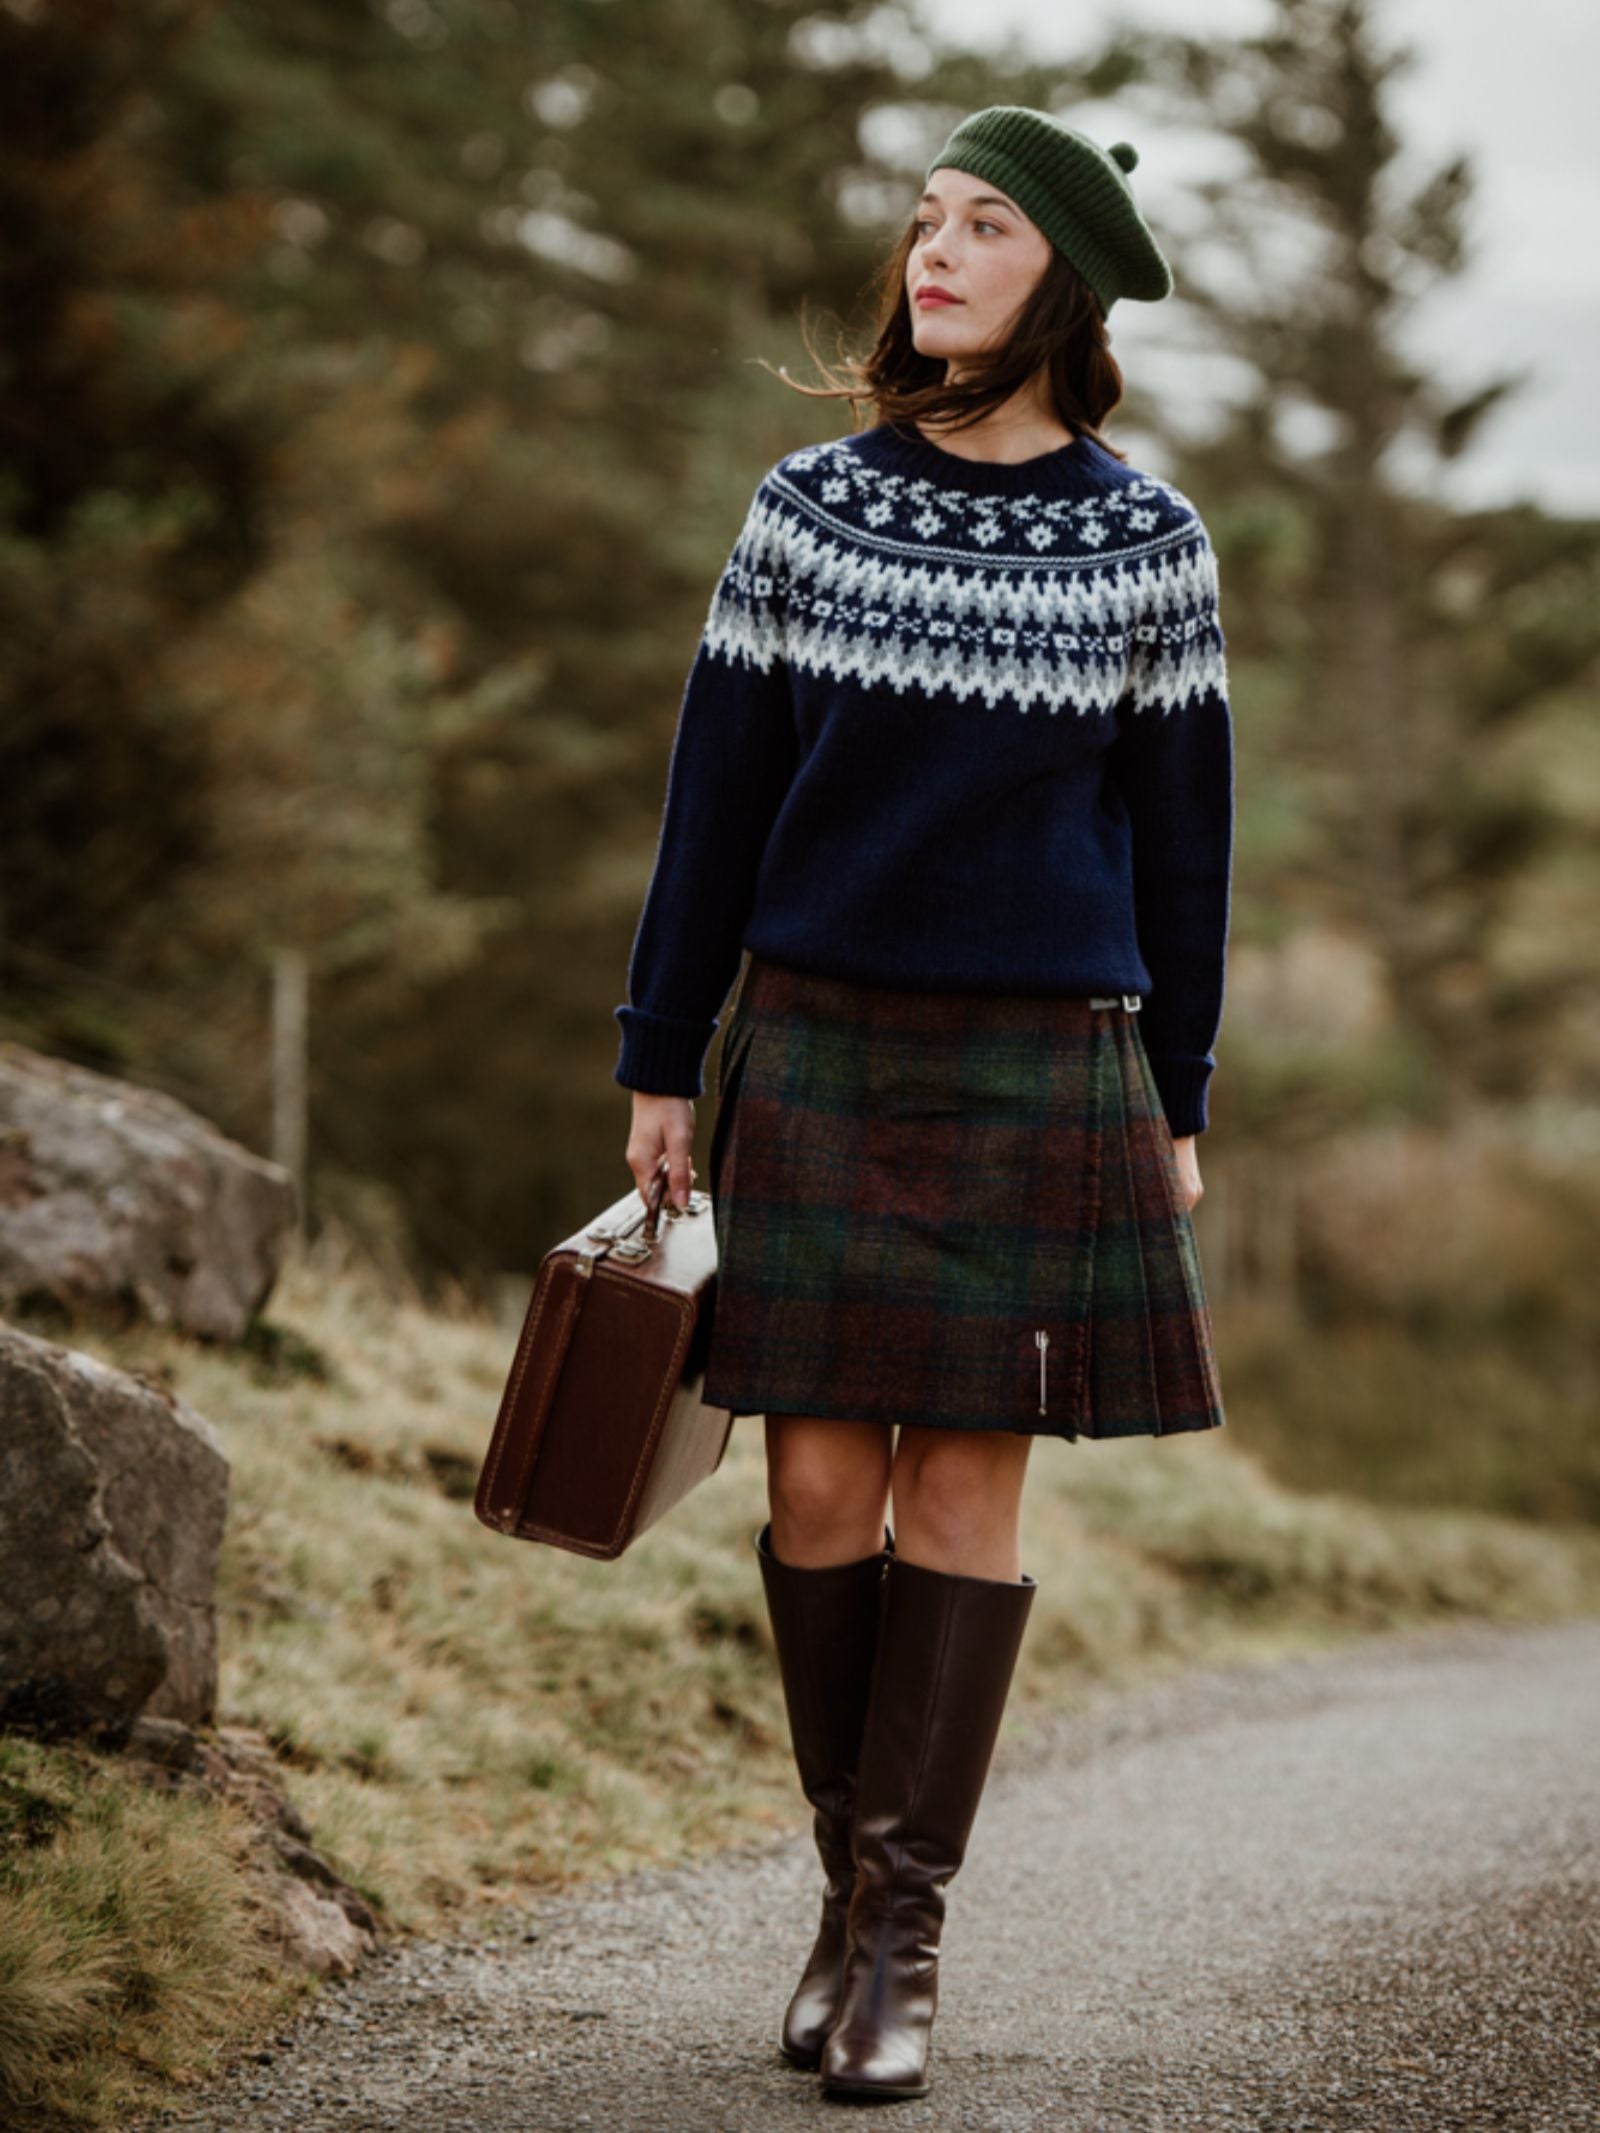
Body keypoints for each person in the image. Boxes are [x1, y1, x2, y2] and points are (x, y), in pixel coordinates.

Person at [614, 105, 1233, 2104]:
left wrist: (1180, 1090)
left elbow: (1180, 849)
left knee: (962, 1484)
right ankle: (835, 1887)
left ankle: (897, 1934)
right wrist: (657, 1052)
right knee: (811, 1486)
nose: (932, 253)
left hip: (1044, 1058)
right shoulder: (803, 506)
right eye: (923, 220)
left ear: (1062, 274)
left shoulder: (1149, 543)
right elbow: (711, 803)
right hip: (809, 1040)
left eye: (980, 226)